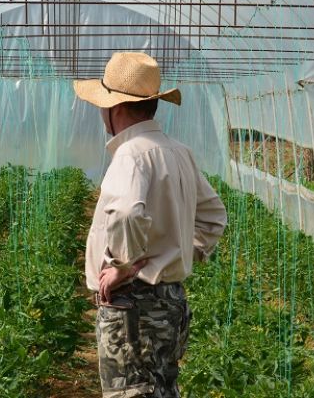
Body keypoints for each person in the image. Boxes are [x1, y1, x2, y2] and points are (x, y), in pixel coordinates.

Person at [73, 52, 228, 398]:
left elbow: (127, 212)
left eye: (103, 105)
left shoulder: (131, 154)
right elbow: (213, 215)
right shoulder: (177, 151)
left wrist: (122, 267)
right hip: (170, 301)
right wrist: (181, 251)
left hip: (134, 308)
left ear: (116, 108)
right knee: (161, 387)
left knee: (133, 391)